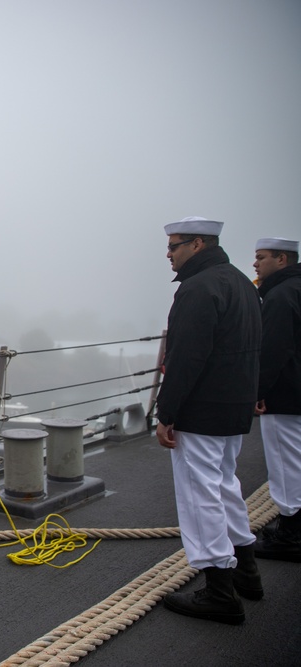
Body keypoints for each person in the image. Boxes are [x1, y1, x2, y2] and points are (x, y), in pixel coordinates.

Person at [155, 217, 263, 624]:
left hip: (201, 410)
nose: (168, 254)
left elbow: (185, 357)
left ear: (197, 244)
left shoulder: (198, 289)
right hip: (232, 407)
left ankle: (220, 590)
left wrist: (167, 414)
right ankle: (247, 574)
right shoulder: (239, 282)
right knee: (226, 486)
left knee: (201, 496)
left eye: (174, 246)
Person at [252, 236, 301, 562]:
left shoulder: (281, 295)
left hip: (285, 396)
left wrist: (257, 392)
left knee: (286, 467)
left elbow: (272, 351)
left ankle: (291, 535)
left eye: (261, 257)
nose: (256, 263)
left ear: (282, 259)